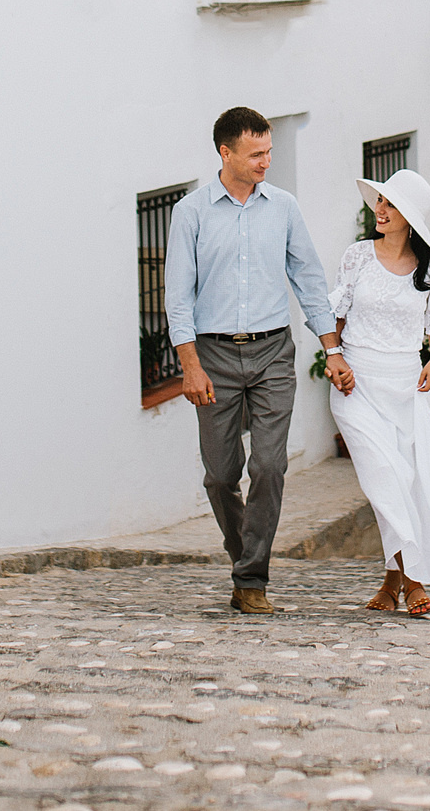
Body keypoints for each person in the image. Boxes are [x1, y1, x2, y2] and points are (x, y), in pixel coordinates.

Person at [166, 106, 350, 615]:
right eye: (257, 154)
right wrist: (190, 365)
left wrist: (331, 349)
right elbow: (178, 296)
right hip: (213, 355)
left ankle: (251, 579)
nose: (267, 161)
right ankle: (243, 554)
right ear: (225, 154)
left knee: (269, 465)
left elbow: (309, 280)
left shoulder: (284, 208)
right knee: (221, 475)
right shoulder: (192, 213)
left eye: (269, 151)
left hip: (272, 351)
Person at [324, 167, 430, 617]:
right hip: (357, 386)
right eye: (379, 202)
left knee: (406, 482)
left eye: (389, 205)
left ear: (408, 217)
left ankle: (392, 583)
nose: (379, 210)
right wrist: (334, 357)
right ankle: (414, 581)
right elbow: (336, 313)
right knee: (386, 477)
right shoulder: (357, 257)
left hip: (404, 387)